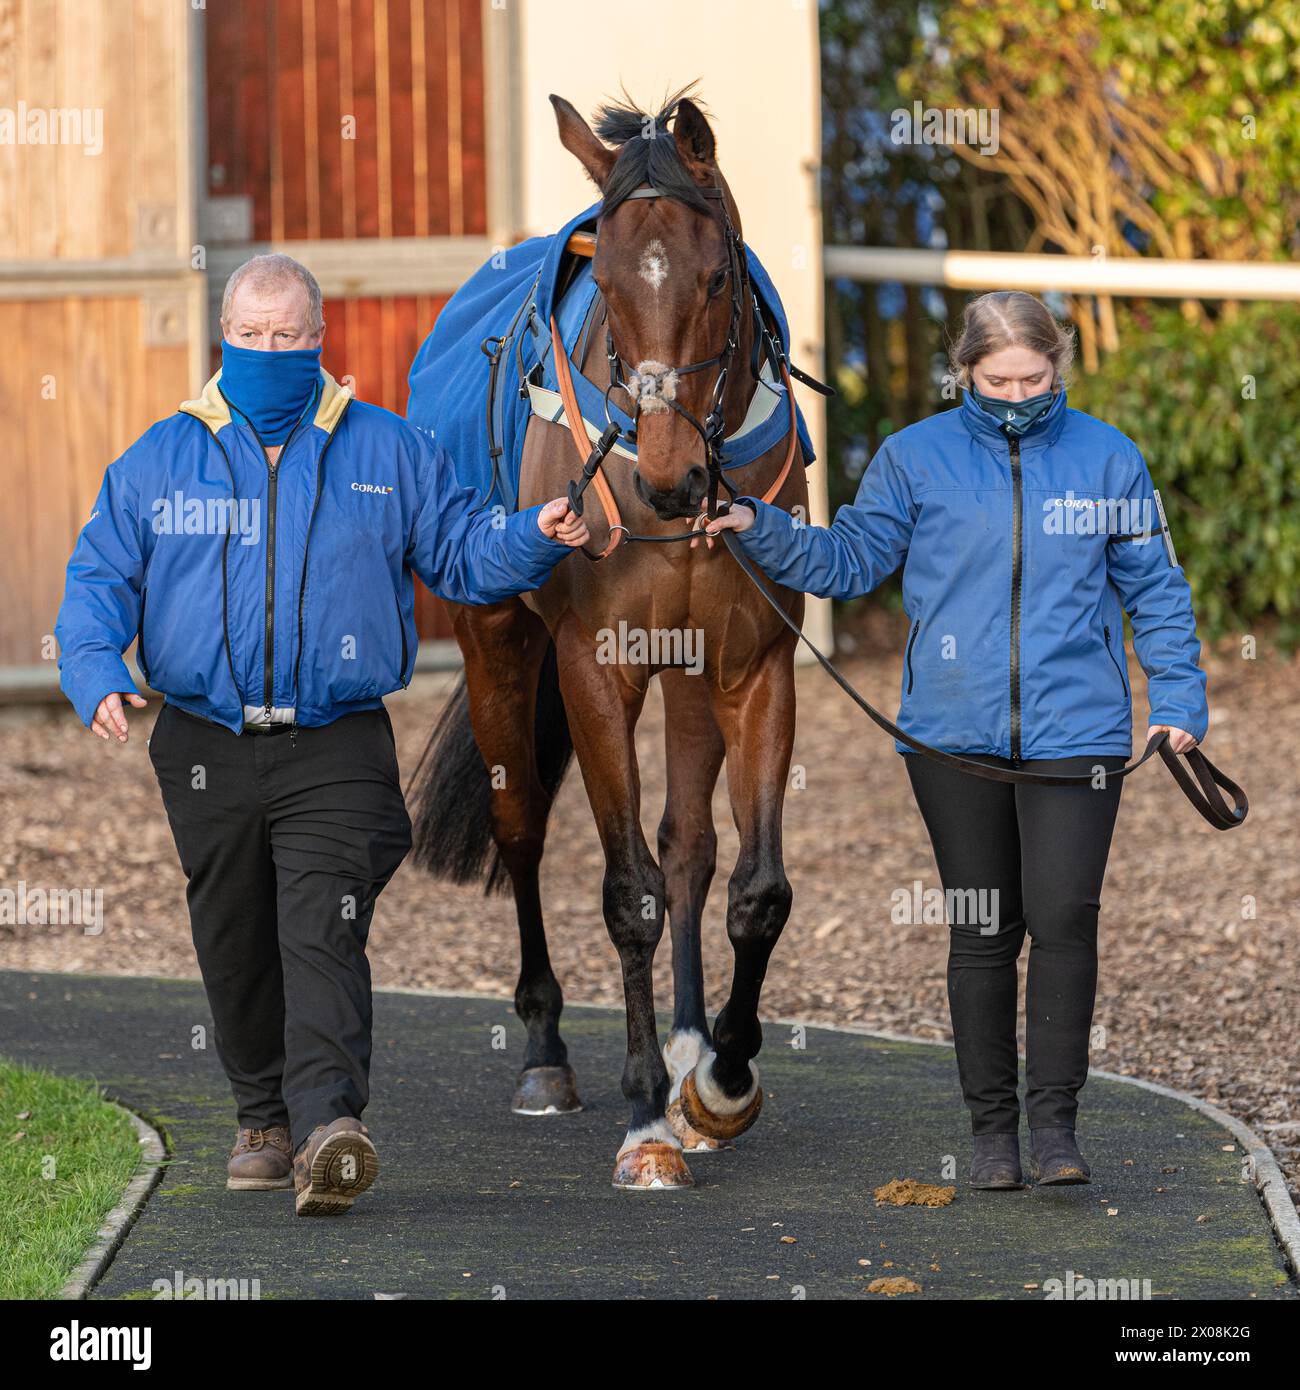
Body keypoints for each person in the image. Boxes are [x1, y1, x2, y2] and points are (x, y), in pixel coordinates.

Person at [54, 253, 589, 1215]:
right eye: (251, 335)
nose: (269, 350)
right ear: (226, 338)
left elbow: (466, 554)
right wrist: (94, 669)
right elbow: (98, 581)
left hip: (335, 744)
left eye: (287, 335)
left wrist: (539, 531)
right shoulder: (158, 460)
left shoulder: (386, 453)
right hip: (205, 745)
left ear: (317, 340)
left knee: (323, 928)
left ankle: (330, 1128)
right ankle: (262, 1118)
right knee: (234, 936)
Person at [699, 290, 1207, 1189]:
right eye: (997, 379)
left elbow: (1156, 590)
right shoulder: (914, 459)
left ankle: (1055, 1133)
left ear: (1061, 366)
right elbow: (849, 561)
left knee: (1064, 923)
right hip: (949, 734)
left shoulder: (1108, 459)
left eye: (1034, 378)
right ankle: (991, 1136)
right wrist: (760, 526)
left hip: (1078, 732)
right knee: (982, 932)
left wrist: (1178, 698)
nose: (1017, 396)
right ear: (963, 372)